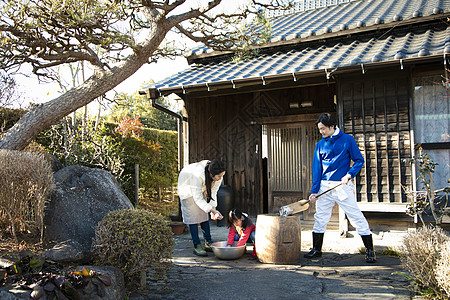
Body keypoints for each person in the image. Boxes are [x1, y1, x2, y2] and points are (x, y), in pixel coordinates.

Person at [305, 113, 376, 263]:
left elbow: (359, 160)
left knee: (355, 216)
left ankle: (370, 251)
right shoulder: (320, 144)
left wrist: (349, 174)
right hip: (324, 186)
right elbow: (317, 169)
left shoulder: (347, 140)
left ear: (332, 126)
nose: (321, 132)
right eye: (319, 129)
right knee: (320, 217)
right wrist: (314, 191)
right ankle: (316, 249)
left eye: (323, 129)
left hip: (342, 185)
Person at [178, 159, 226, 256]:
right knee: (193, 217)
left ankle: (208, 241)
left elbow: (213, 192)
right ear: (212, 174)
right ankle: (197, 245)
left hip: (200, 187)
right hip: (187, 187)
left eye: (222, 175)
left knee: (203, 215)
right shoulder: (198, 175)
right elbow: (198, 199)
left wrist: (213, 209)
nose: (220, 178)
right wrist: (211, 210)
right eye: (219, 176)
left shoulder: (216, 176)